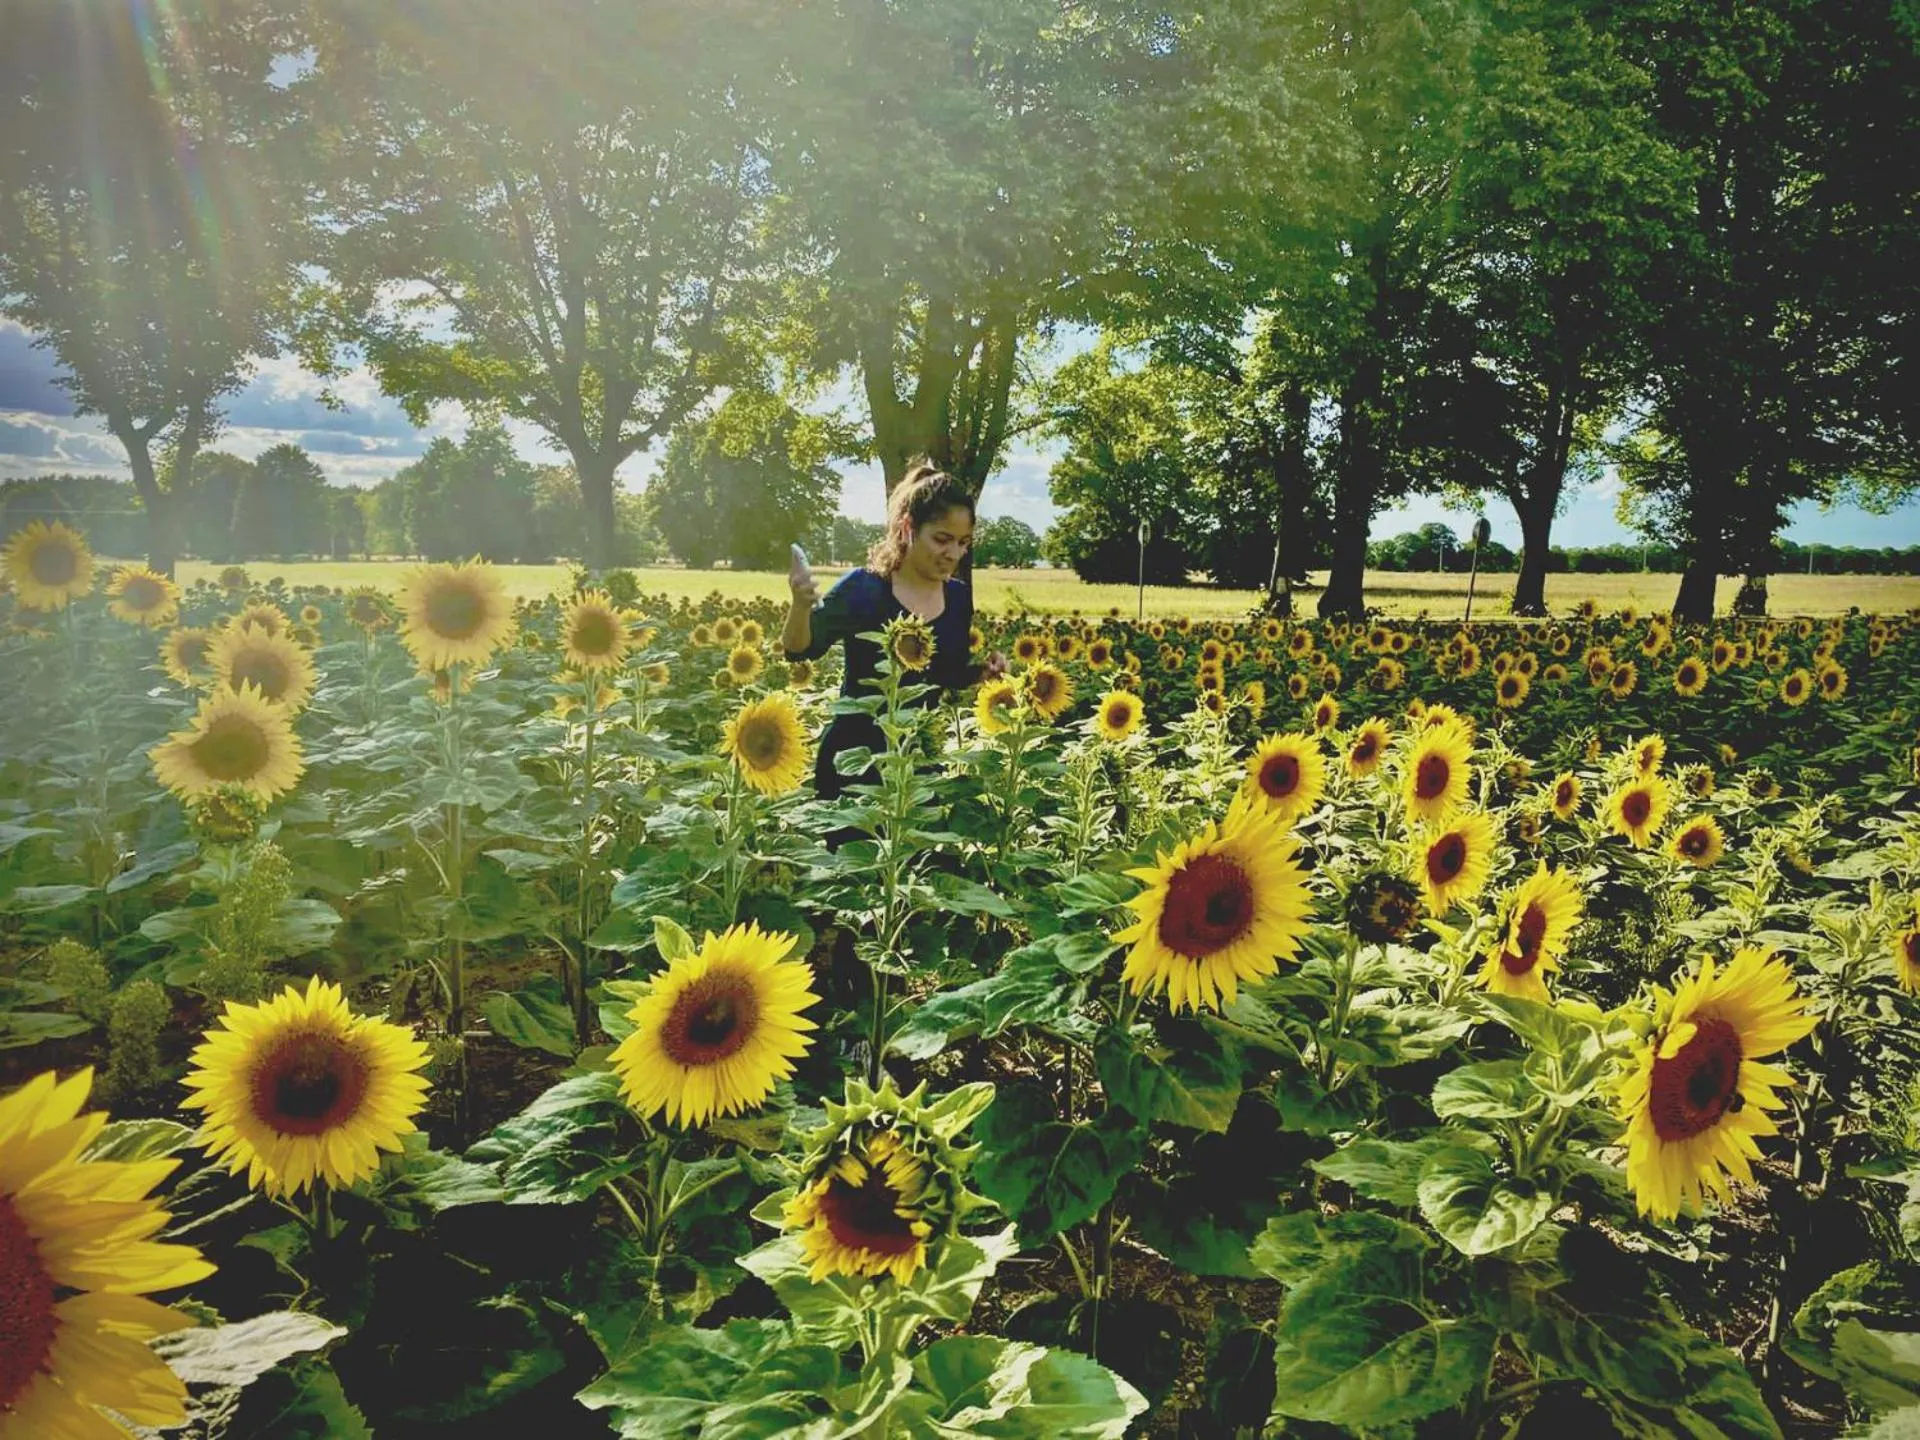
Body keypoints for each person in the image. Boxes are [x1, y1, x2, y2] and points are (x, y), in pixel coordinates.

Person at [781, 460, 1009, 803]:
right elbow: (799, 649)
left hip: (916, 762)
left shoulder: (958, 598)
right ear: (907, 528)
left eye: (963, 542)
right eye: (942, 539)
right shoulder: (864, 588)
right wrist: (800, 606)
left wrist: (982, 673)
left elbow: (945, 674)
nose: (954, 554)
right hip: (853, 765)